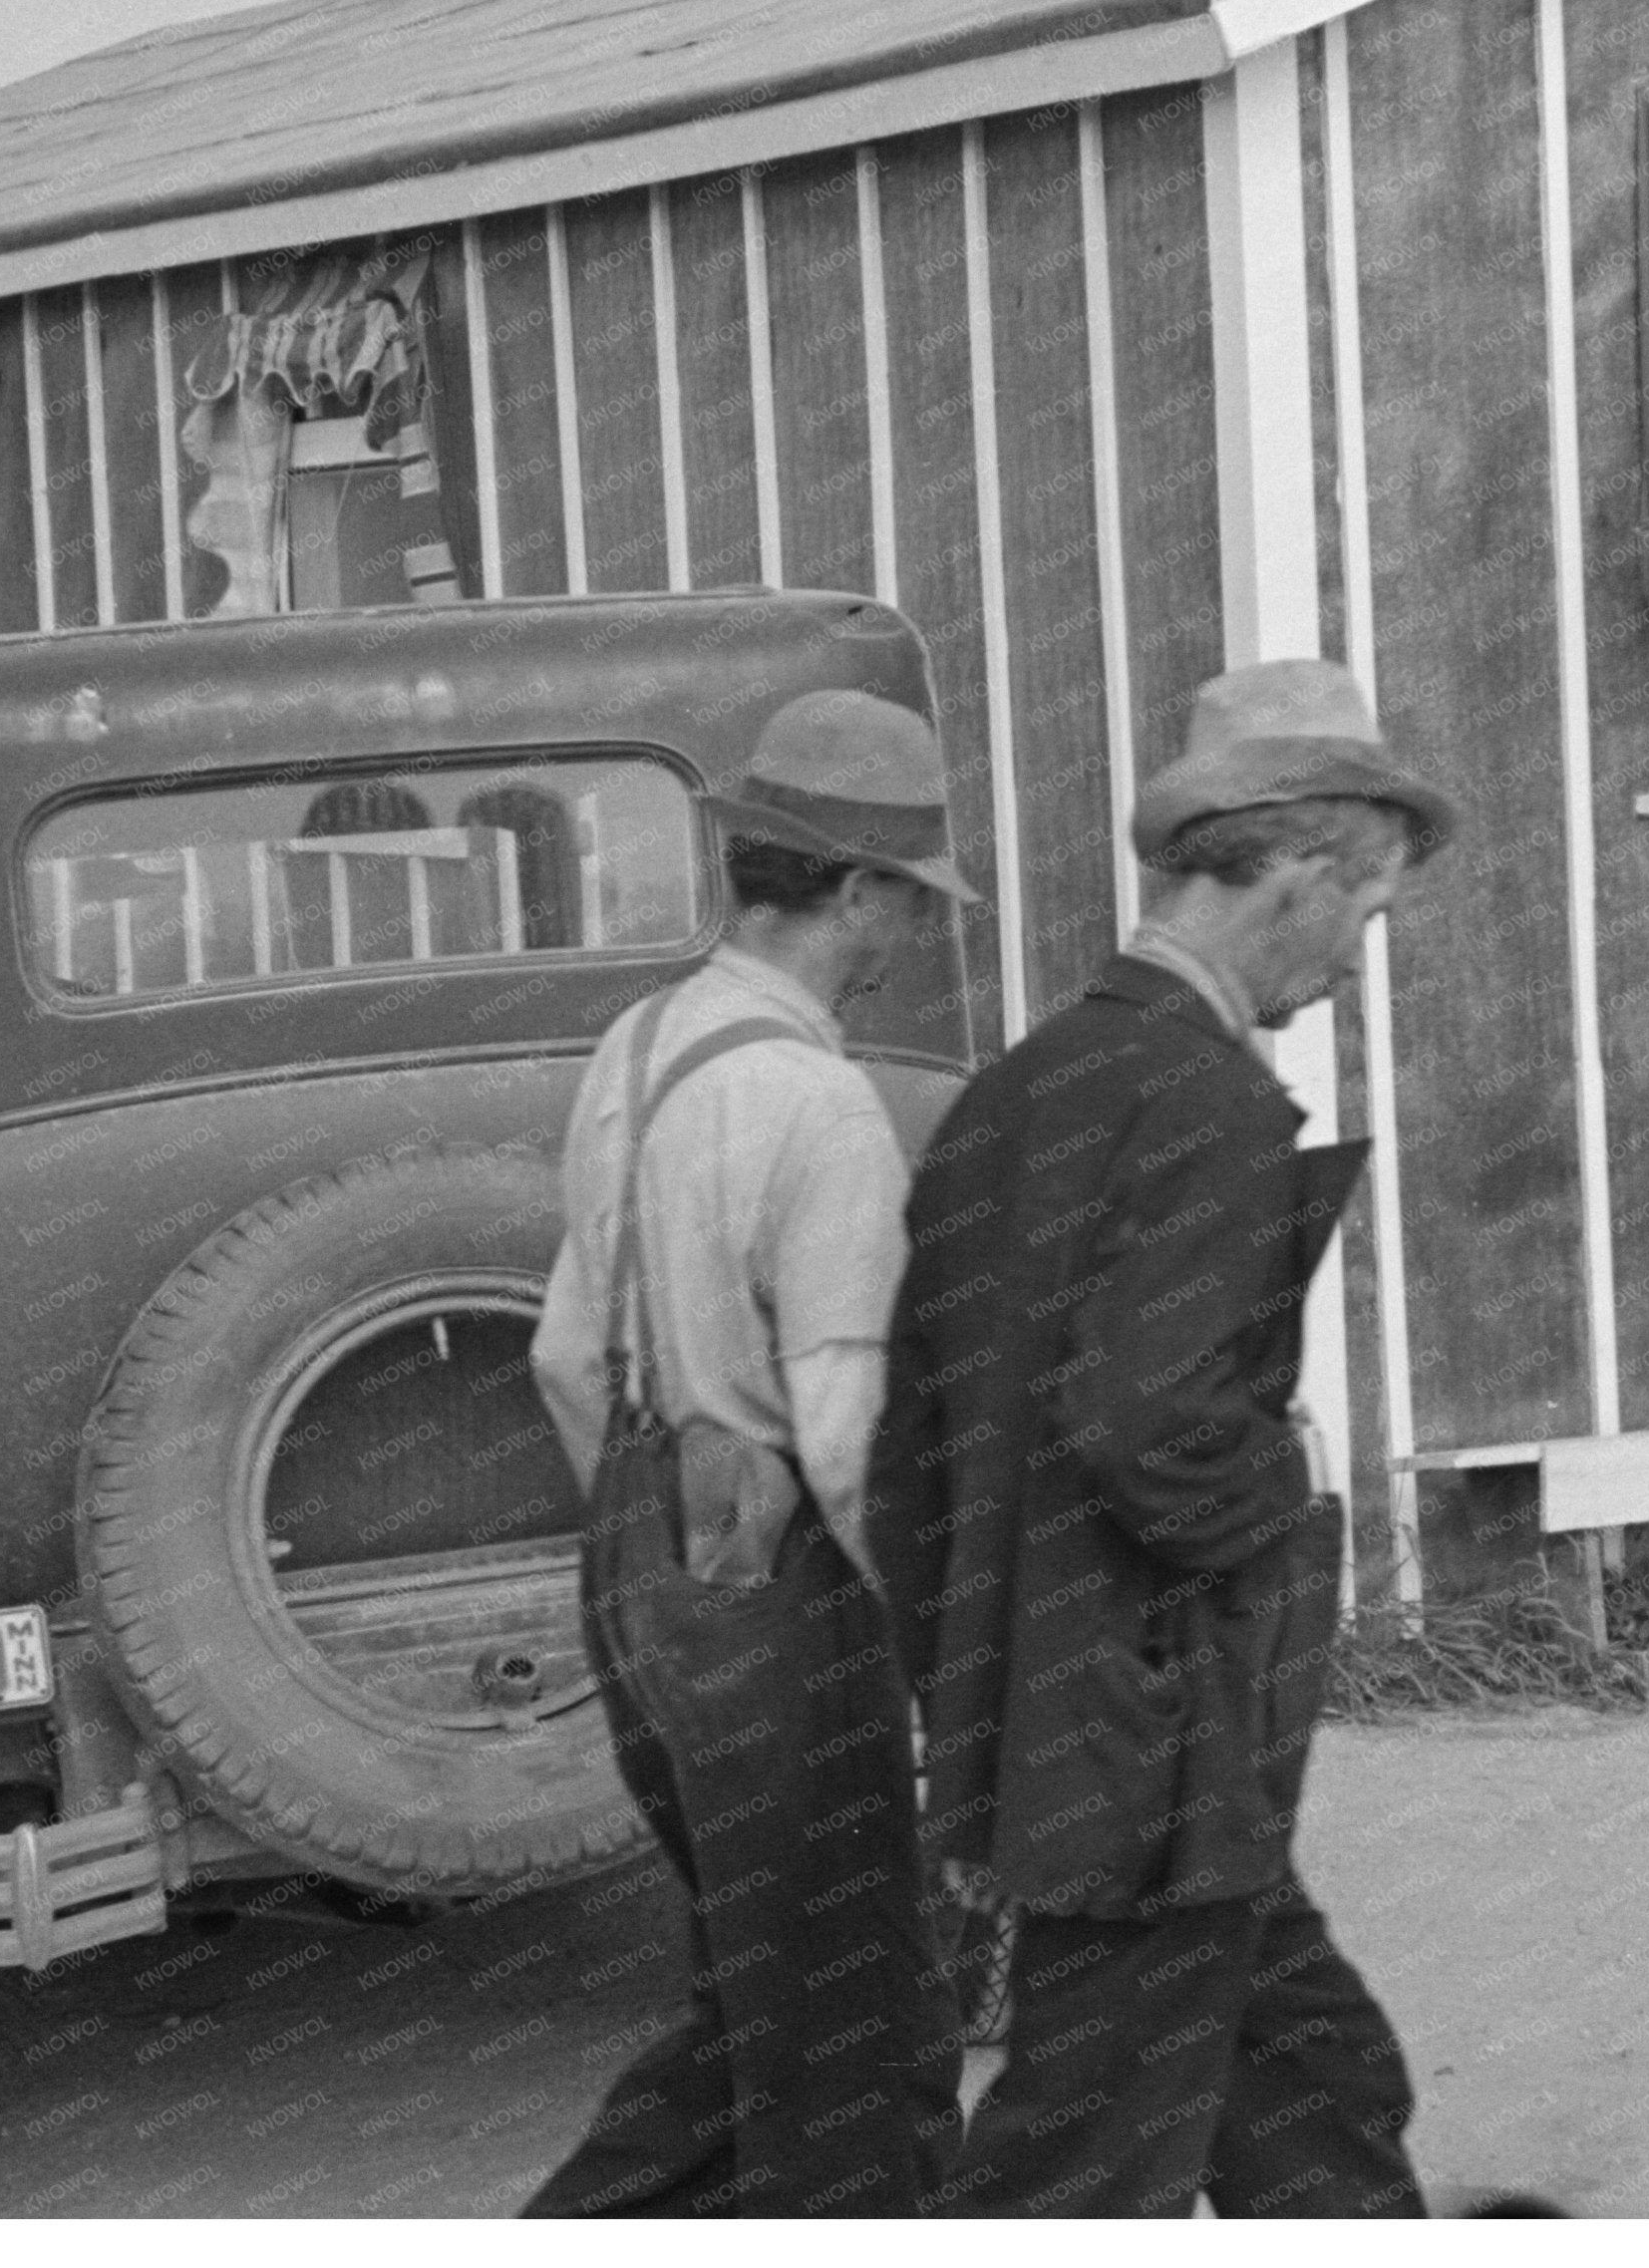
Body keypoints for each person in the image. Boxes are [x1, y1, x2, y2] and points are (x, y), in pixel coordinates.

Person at [874, 658, 1456, 2219]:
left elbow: (909, 1454)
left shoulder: (1016, 1093)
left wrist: (978, 1681)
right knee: (1085, 2158)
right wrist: (1289, 1493)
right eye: (1365, 916)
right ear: (1301, 873)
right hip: (1159, 1731)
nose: (1351, 962)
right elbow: (1152, 1429)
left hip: (1060, 1708)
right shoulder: (1207, 1106)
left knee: (1311, 2073)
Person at [520, 688, 974, 2219]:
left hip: (642, 1564)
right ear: (855, 890)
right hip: (782, 1584)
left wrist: (667, 1541)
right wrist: (941, 1643)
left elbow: (566, 1357)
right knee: (855, 2038)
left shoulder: (638, 1049)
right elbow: (845, 1442)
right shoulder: (821, 1102)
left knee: (758, 2006)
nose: (915, 932)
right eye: (911, 897)